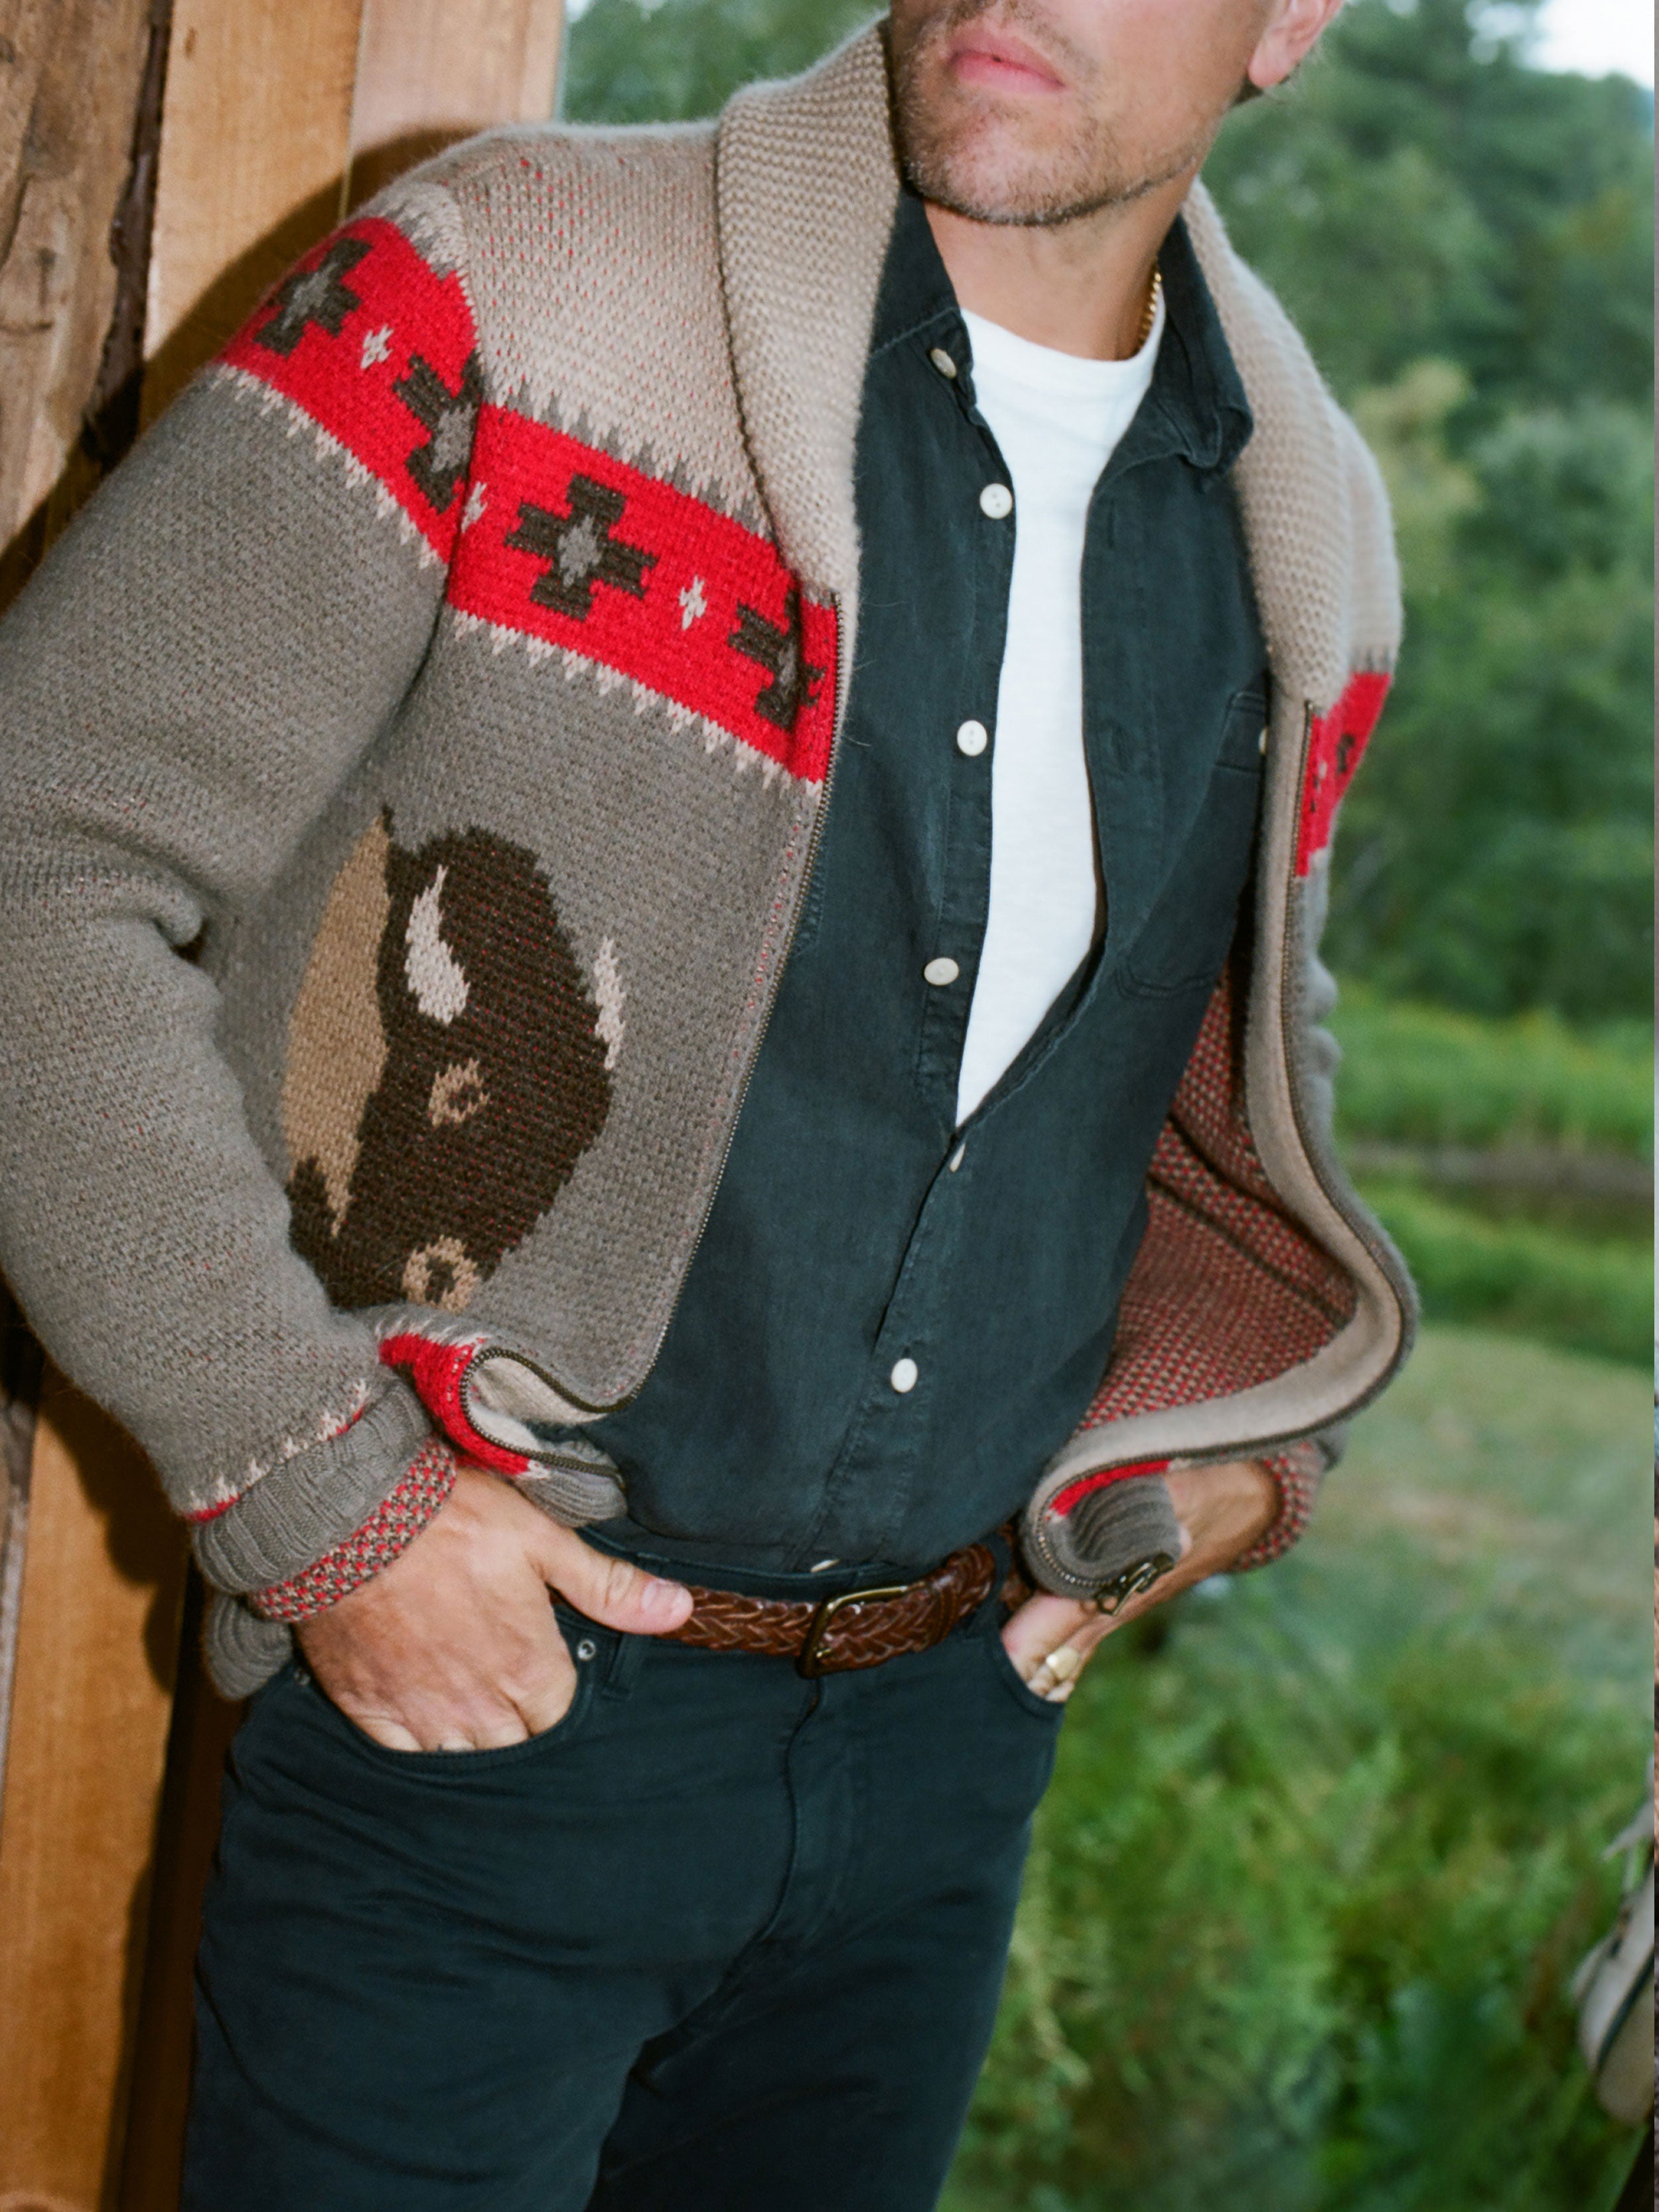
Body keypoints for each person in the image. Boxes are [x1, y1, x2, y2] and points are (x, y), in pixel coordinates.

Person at [0, 0, 1413, 2202]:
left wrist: (1248, 1439)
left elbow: (1240, 1070)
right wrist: (314, 1489)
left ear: (1292, 21)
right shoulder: (506, 282)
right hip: (477, 1703)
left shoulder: (1299, 512)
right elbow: (35, 860)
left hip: (949, 1765)